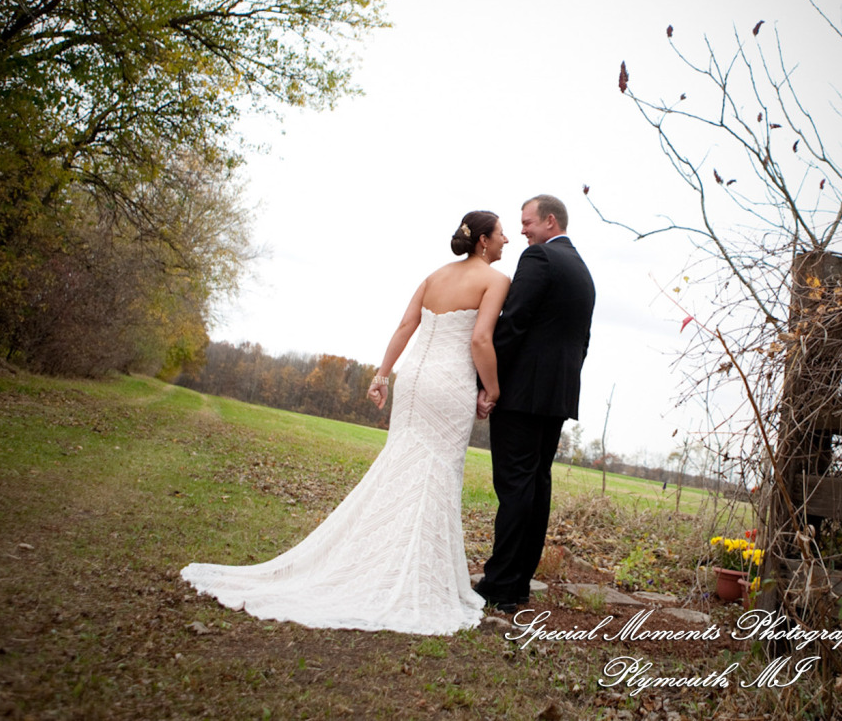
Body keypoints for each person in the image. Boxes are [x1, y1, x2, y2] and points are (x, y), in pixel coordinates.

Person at [181, 211, 510, 635]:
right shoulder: (495, 280)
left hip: (411, 383)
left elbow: (406, 325)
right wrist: (493, 389)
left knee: (402, 467)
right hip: (448, 386)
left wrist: (381, 375)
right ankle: (408, 572)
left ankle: (386, 557)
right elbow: (481, 339)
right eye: (501, 234)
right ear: (483, 240)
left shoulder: (434, 276)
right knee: (436, 474)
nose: (506, 240)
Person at [473, 195, 595, 613]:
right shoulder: (582, 269)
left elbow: (513, 324)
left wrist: (487, 384)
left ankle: (501, 585)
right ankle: (519, 581)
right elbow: (582, 341)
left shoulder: (539, 259)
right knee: (536, 485)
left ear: (548, 221)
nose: (522, 230)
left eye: (526, 222)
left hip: (523, 395)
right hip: (556, 396)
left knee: (514, 487)